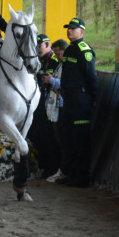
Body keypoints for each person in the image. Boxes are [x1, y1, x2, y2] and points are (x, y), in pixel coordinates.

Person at [57, 18, 98, 188]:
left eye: (73, 29)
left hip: (80, 100)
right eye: (68, 28)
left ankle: (82, 178)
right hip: (69, 99)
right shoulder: (69, 50)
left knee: (81, 140)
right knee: (69, 139)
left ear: (81, 32)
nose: (69, 31)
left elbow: (91, 76)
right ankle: (72, 174)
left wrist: (94, 98)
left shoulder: (84, 50)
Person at [26, 34, 60, 178]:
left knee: (48, 137)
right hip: (36, 104)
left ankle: (51, 168)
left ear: (47, 44)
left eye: (39, 46)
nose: (37, 49)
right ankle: (40, 166)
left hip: (49, 104)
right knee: (36, 136)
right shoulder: (36, 60)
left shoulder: (54, 60)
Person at [42, 39, 69, 182]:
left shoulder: (68, 66)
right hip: (55, 107)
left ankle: (63, 170)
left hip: (63, 106)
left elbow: (66, 84)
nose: (57, 57)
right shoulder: (60, 65)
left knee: (64, 142)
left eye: (58, 54)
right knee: (58, 141)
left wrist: (51, 80)